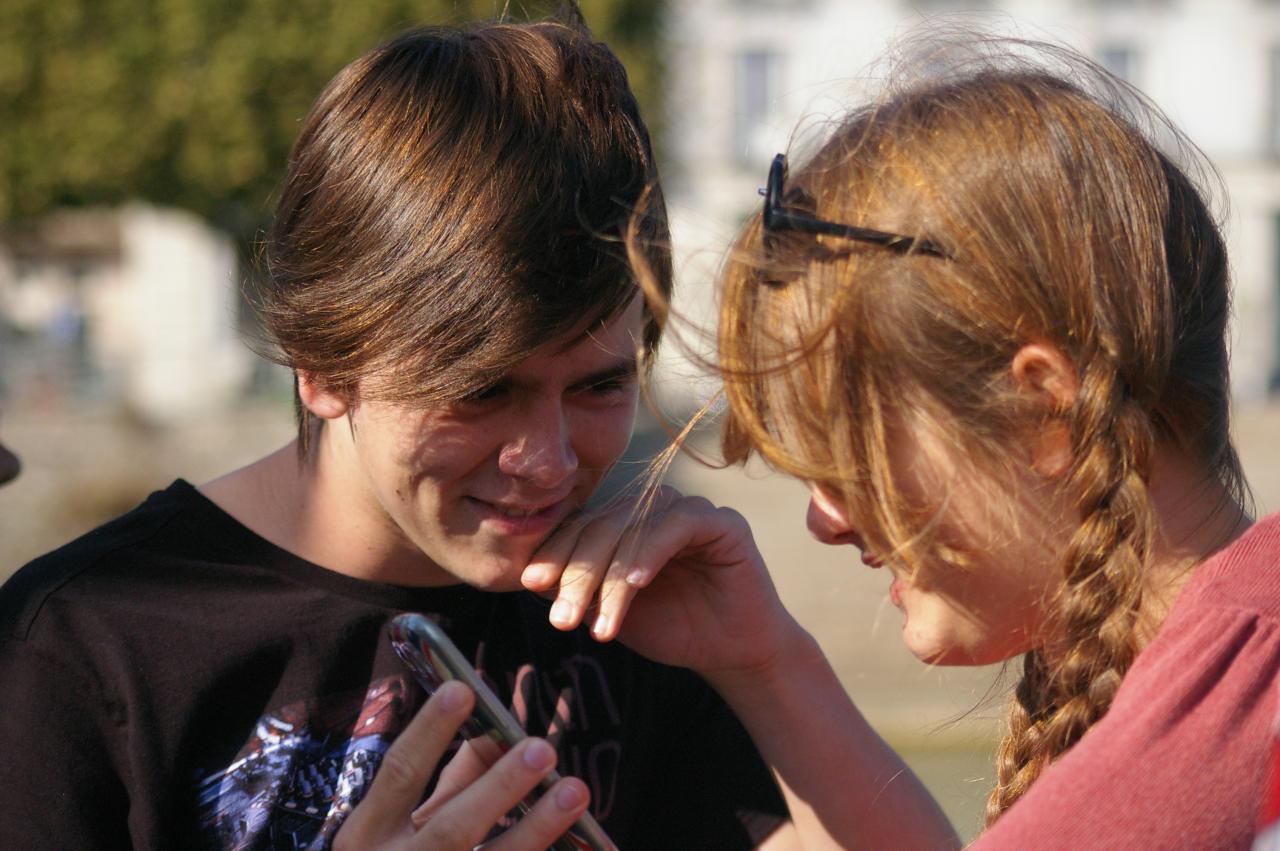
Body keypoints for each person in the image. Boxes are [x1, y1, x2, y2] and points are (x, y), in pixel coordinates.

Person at [0, 9, 791, 850]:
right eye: (482, 390)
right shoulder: (78, 649)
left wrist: (769, 663)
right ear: (323, 363)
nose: (548, 461)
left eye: (601, 384)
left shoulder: (633, 614)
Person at [520, 40, 1278, 848]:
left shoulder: (1135, 807)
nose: (826, 518)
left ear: (1044, 408)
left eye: (852, 458)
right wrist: (768, 665)